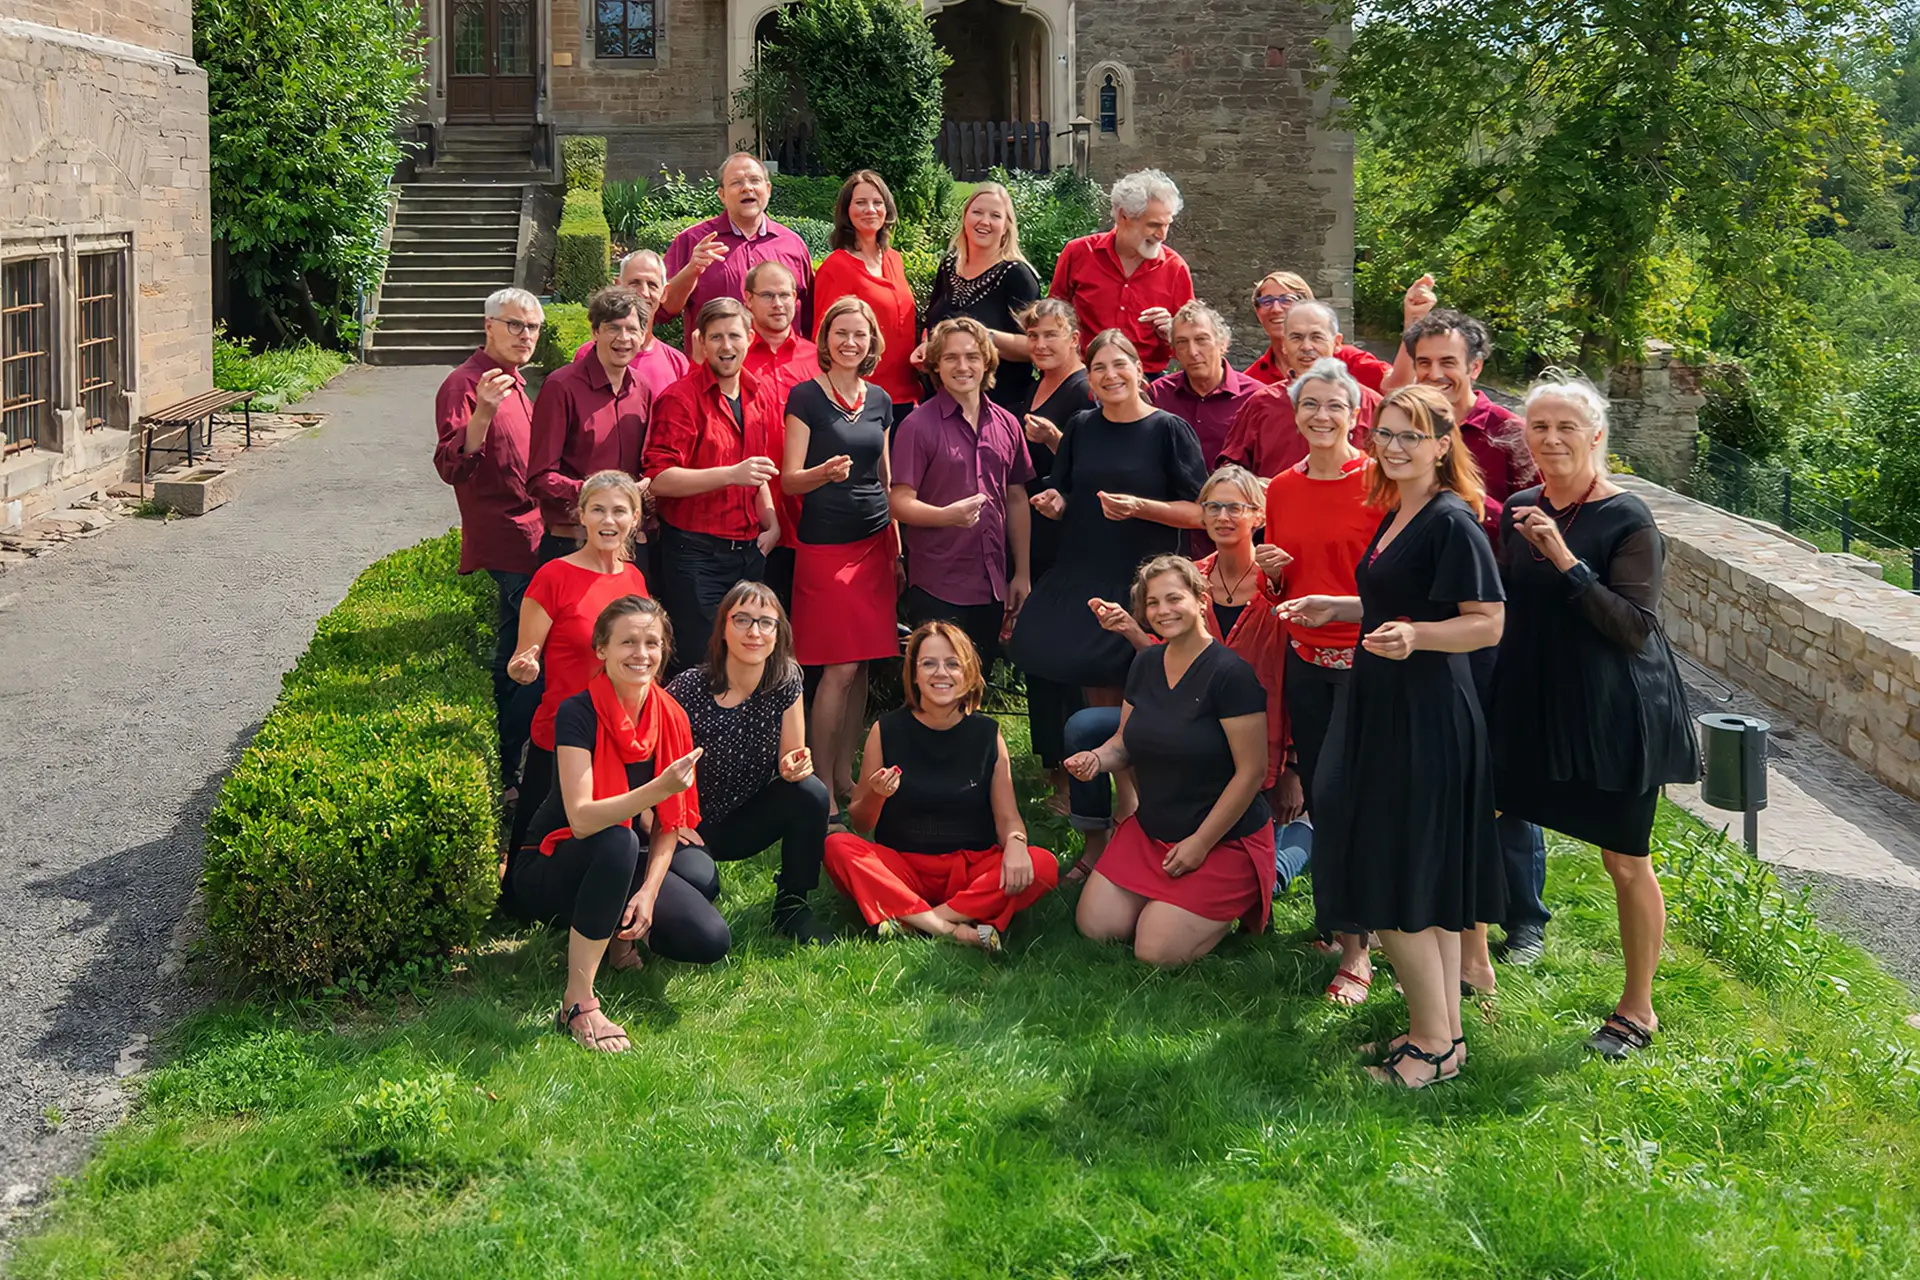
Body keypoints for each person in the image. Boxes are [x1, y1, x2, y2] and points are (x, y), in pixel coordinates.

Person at [1278, 385, 1506, 1088]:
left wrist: (1417, 636)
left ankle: (1432, 1047)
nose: (1397, 446)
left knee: (1396, 870)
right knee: (1422, 880)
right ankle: (1442, 1037)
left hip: (1427, 715)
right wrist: (1341, 604)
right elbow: (1404, 600)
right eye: (1388, 433)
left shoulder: (1449, 521)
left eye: (1414, 435)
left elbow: (1487, 621)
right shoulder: (1398, 510)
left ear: (1444, 444)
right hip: (1394, 705)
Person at [1492, 374, 1699, 1058]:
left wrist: (1563, 558)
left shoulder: (1627, 517)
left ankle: (1638, 1009)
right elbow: (1504, 608)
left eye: (1566, 428)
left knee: (1624, 859)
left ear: (1597, 436)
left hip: (1619, 711)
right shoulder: (1518, 508)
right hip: (1539, 701)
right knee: (1479, 813)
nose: (1551, 439)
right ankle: (1470, 969)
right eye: (1540, 427)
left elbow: (1634, 627)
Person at [1062, 468, 1304, 884]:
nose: (1223, 516)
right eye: (1213, 506)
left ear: (1259, 516)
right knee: (1086, 727)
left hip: (1255, 734)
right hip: (1186, 724)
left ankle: (1299, 839)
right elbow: (1169, 665)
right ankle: (1104, 837)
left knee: (1268, 865)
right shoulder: (1185, 581)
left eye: (1235, 507)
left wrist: (1295, 766)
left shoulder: (1279, 579)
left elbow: (1299, 672)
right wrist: (1133, 632)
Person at [508, 595, 721, 1052]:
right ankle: (577, 1002)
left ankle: (614, 932)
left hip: (618, 850)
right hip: (549, 862)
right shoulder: (577, 712)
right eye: (627, 642)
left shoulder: (671, 715)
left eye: (651, 642)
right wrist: (657, 790)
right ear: (601, 649)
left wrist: (648, 893)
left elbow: (669, 823)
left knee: (708, 937)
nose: (641, 654)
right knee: (618, 842)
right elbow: (582, 819)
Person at [1402, 306, 1545, 978]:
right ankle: (1446, 903)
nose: (1435, 375)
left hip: (1493, 628)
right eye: (1424, 363)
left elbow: (1531, 526)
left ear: (1475, 368)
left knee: (1500, 776)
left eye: (1447, 364)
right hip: (1426, 628)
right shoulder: (1403, 430)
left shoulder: (1509, 435)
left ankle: (1524, 914)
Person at [1067, 556, 1275, 965]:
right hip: (1153, 829)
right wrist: (1096, 759)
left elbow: (1252, 772)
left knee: (1155, 951)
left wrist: (1200, 844)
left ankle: (1274, 866)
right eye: (1153, 603)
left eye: (1174, 598)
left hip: (1221, 838)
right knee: (1096, 929)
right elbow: (1124, 744)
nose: (1162, 611)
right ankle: (1166, 901)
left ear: (1202, 600)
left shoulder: (1232, 675)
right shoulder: (1144, 663)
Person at [1258, 357, 1382, 1006]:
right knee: (1324, 801)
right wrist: (1271, 572)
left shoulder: (1380, 482)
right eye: (1312, 405)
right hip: (1306, 663)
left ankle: (1358, 952)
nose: (1323, 416)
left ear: (1357, 414)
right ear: (1296, 413)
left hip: (1369, 668)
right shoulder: (1280, 487)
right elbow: (1281, 582)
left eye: (1337, 405)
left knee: (1347, 798)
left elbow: (1397, 584)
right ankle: (1338, 925)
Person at [824, 622, 1058, 950]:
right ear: (914, 675)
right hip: (903, 866)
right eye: (929, 664)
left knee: (1042, 863)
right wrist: (877, 795)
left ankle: (920, 920)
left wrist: (1017, 843)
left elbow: (1007, 817)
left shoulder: (988, 734)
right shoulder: (885, 730)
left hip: (972, 867)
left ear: (969, 673)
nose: (941, 673)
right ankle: (956, 930)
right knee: (837, 846)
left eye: (952, 664)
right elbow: (862, 823)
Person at [1009, 329, 1206, 698]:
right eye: (1099, 368)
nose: (1110, 375)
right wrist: (1054, 502)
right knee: (1076, 669)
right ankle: (1088, 752)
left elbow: (1199, 513)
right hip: (1083, 571)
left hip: (1140, 577)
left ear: (1138, 369)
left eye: (1119, 365)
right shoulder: (1081, 427)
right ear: (1089, 379)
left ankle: (1137, 750)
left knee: (1139, 680)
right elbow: (1065, 491)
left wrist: (1140, 507)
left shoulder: (1168, 430)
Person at [782, 296, 899, 821]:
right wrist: (822, 474)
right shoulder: (805, 397)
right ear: (825, 340)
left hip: (875, 543)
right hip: (826, 547)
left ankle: (849, 776)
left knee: (864, 665)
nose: (850, 342)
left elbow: (886, 479)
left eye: (860, 334)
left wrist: (896, 545)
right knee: (838, 667)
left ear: (872, 342)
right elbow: (788, 479)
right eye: (840, 333)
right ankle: (822, 782)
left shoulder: (880, 399)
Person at [665, 581, 834, 944]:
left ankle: (792, 904)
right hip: (688, 822)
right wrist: (667, 819)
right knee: (700, 885)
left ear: (778, 633)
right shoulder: (688, 688)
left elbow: (793, 757)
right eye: (741, 620)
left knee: (811, 792)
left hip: (744, 818)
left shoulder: (786, 681)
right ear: (723, 628)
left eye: (765, 622)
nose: (754, 632)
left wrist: (795, 766)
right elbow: (652, 764)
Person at [434, 287, 547, 801]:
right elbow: (451, 466)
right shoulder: (464, 383)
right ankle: (511, 771)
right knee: (524, 655)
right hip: (507, 539)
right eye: (516, 325)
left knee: (523, 648)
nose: (526, 336)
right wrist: (481, 411)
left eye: (534, 328)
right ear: (489, 327)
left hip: (537, 532)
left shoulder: (519, 383)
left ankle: (516, 765)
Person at [506, 470, 654, 849]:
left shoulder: (635, 578)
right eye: (599, 510)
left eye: (620, 511)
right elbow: (522, 660)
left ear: (634, 519)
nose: (609, 521)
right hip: (561, 736)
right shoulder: (553, 576)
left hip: (620, 735)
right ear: (581, 515)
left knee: (611, 846)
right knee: (536, 849)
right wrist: (524, 669)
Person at [643, 297, 782, 668]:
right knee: (699, 662)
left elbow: (758, 470)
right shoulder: (680, 398)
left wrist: (772, 520)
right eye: (716, 337)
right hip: (694, 554)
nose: (726, 346)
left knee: (745, 661)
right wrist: (730, 474)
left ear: (749, 338)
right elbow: (658, 479)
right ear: (700, 342)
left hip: (747, 551)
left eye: (734, 336)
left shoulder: (758, 394)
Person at [890, 316, 1034, 664]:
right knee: (937, 686)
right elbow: (898, 502)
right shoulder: (917, 426)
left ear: (986, 361)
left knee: (975, 686)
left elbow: (1016, 499)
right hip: (939, 581)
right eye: (951, 357)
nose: (963, 366)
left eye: (971, 356)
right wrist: (946, 516)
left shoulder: (1007, 423)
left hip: (992, 581)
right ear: (936, 364)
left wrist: (1022, 573)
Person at [1013, 297, 1095, 810]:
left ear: (1075, 339)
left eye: (1052, 336)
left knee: (1066, 656)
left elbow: (1102, 462)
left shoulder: (1084, 388)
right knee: (1039, 650)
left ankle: (1075, 777)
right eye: (1034, 336)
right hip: (1037, 534)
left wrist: (1057, 438)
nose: (1041, 345)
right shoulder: (1033, 382)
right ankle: (1053, 768)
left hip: (1073, 538)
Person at [527, 287, 654, 563]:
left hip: (626, 543)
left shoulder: (642, 388)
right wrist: (596, 493)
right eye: (613, 328)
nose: (624, 338)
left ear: (644, 335)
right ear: (595, 331)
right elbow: (539, 478)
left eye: (632, 329)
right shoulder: (561, 386)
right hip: (572, 541)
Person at [661, 152, 815, 351]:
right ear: (722, 195)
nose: (747, 188)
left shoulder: (792, 245)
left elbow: (810, 319)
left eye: (755, 180)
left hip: (781, 372)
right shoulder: (693, 242)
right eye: (736, 182)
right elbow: (664, 310)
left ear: (768, 190)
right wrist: (691, 270)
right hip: (717, 372)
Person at [1048, 170, 1194, 374]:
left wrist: (1173, 332)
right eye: (1153, 225)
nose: (1162, 235)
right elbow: (1052, 321)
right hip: (1084, 377)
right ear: (1123, 216)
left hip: (1147, 382)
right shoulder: (1078, 253)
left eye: (1167, 225)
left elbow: (1194, 349)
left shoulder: (1175, 268)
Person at [1217, 300, 1379, 479]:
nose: (1306, 347)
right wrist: (1257, 487)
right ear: (1284, 345)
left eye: (1317, 337)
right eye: (1296, 338)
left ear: (1337, 342)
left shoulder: (1371, 404)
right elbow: (1231, 472)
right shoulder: (1262, 404)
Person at [810, 170, 921, 424]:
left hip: (906, 396)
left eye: (877, 202)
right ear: (846, 211)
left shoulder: (895, 259)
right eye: (860, 202)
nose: (870, 209)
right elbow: (822, 340)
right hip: (861, 402)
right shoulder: (835, 267)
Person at [920, 182, 1042, 411]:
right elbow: (931, 322)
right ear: (965, 217)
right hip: (942, 404)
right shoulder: (948, 266)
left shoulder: (1018, 276)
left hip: (997, 406)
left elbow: (1034, 347)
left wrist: (982, 336)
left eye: (995, 215)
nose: (984, 221)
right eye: (977, 212)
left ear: (1007, 225)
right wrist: (925, 345)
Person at [741, 259, 816, 604]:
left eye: (785, 295)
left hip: (809, 513)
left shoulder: (819, 359)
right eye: (768, 295)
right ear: (748, 299)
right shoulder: (732, 356)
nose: (778, 304)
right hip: (750, 516)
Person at [1242, 270, 1432, 392]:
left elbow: (1397, 386)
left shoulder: (1345, 358)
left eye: (1287, 299)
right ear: (1258, 312)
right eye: (1266, 302)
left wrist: (1414, 321)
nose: (1275, 308)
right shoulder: (1253, 379)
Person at [1148, 300, 1259, 470]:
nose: (1192, 352)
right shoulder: (1159, 394)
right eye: (1182, 342)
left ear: (1223, 344)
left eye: (1201, 339)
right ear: (1174, 351)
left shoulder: (1255, 397)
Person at [573, 250, 690, 396]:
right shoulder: (590, 354)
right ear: (618, 286)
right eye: (634, 283)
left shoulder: (677, 363)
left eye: (652, 285)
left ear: (664, 293)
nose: (644, 293)